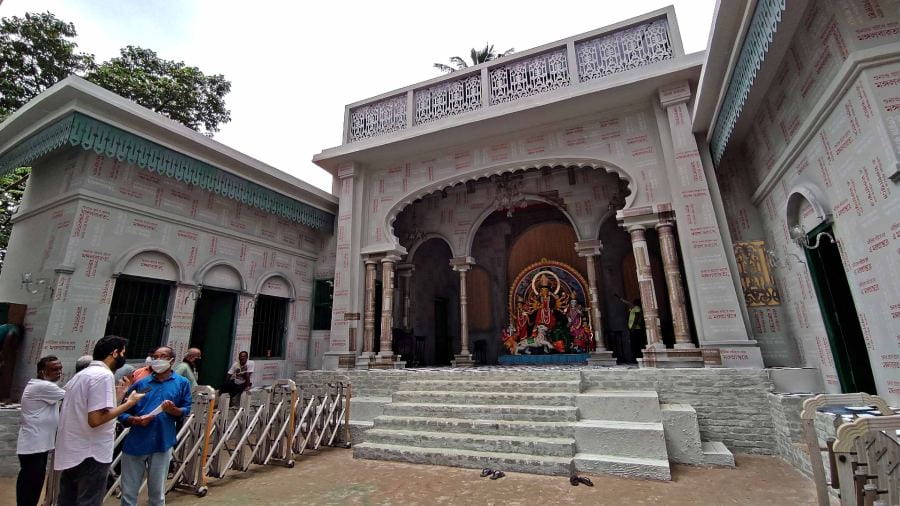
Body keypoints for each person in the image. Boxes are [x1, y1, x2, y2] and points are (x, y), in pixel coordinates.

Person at [55, 335, 144, 506]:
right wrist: (130, 404)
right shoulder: (103, 375)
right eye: (123, 352)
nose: (124, 357)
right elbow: (95, 419)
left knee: (67, 499)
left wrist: (119, 399)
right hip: (91, 453)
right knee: (89, 500)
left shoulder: (82, 375)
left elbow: (91, 410)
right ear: (114, 353)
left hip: (73, 450)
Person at [118, 346, 192, 506]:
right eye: (155, 356)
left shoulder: (181, 384)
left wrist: (174, 410)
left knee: (157, 494)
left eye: (163, 356)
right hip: (136, 442)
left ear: (172, 360)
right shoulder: (142, 384)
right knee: (128, 493)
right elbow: (122, 411)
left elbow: (186, 409)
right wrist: (134, 420)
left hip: (162, 441)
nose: (158, 360)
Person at [16, 355, 65, 506]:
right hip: (34, 447)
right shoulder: (44, 387)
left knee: (32, 486)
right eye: (54, 369)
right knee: (30, 487)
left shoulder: (41, 386)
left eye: (60, 368)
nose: (59, 372)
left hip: (37, 446)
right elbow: (73, 395)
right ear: (42, 372)